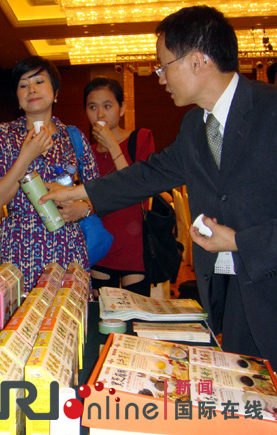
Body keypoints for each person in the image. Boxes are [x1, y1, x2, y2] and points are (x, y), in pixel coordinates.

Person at [41, 6, 277, 367]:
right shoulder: (194, 126)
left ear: (197, 60)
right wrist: (78, 192)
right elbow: (149, 174)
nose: (161, 78)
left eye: (164, 66)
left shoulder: (269, 110)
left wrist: (239, 241)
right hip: (229, 291)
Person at [0, 55, 99, 291]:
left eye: (39, 81)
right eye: (23, 85)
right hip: (20, 248)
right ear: (17, 97)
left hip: (69, 247)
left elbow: (99, 192)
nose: (32, 90)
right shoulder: (2, 136)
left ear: (55, 92)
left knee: (67, 310)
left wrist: (84, 208)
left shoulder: (73, 137)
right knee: (23, 312)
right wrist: (27, 155)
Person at [84, 77, 155, 296]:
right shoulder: (88, 152)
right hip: (102, 244)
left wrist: (113, 146)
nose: (100, 114)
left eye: (107, 106)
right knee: (103, 312)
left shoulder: (140, 138)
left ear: (121, 108)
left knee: (136, 312)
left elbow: (137, 189)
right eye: (92, 107)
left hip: (135, 245)